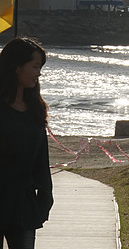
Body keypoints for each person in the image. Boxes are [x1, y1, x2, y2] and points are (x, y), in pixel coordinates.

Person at [0, 37, 53, 249]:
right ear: (16, 66)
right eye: (35, 66)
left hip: (23, 205)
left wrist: (46, 196)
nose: (38, 73)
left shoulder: (34, 110)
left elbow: (42, 159)